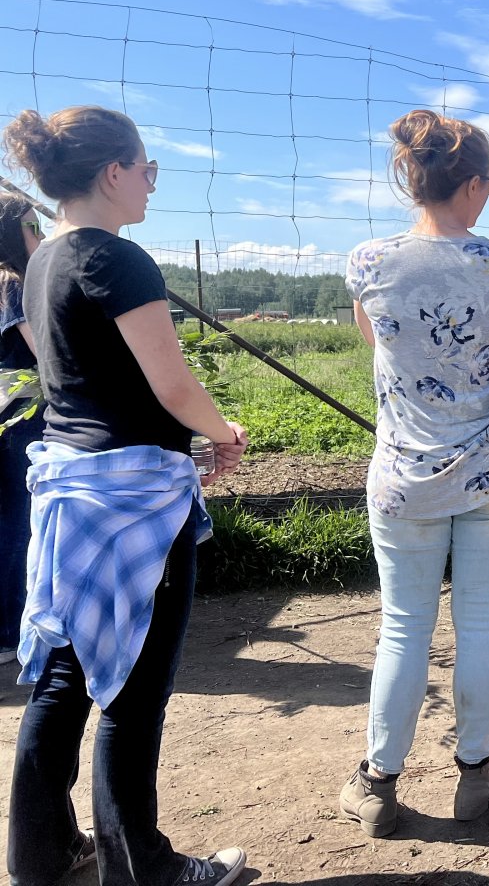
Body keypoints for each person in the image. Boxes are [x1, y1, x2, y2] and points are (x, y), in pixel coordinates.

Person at [3, 106, 249, 886]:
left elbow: (59, 370)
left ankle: (38, 858)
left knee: (68, 674)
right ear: (113, 172)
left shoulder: (42, 262)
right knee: (133, 691)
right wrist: (225, 433)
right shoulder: (119, 259)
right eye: (146, 168)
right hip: (137, 496)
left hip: (70, 486)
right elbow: (171, 383)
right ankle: (144, 869)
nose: (150, 182)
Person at [339, 108, 489, 839]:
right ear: (468, 184)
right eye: (487, 182)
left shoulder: (367, 261)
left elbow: (379, 346)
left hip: (404, 476)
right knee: (482, 616)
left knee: (402, 627)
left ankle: (377, 784)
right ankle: (476, 774)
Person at [0, 192, 46, 669]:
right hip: (22, 414)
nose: (40, 235)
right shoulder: (14, 283)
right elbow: (46, 351)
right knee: (19, 523)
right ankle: (10, 632)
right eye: (33, 226)